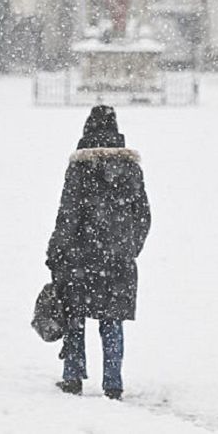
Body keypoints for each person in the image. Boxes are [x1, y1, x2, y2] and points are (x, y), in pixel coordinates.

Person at [46, 105, 151, 400]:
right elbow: (143, 214)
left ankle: (72, 377)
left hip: (80, 257)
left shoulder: (79, 167)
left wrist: (55, 250)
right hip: (118, 260)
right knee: (112, 320)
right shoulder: (131, 169)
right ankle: (113, 383)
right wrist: (130, 247)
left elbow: (67, 216)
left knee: (75, 317)